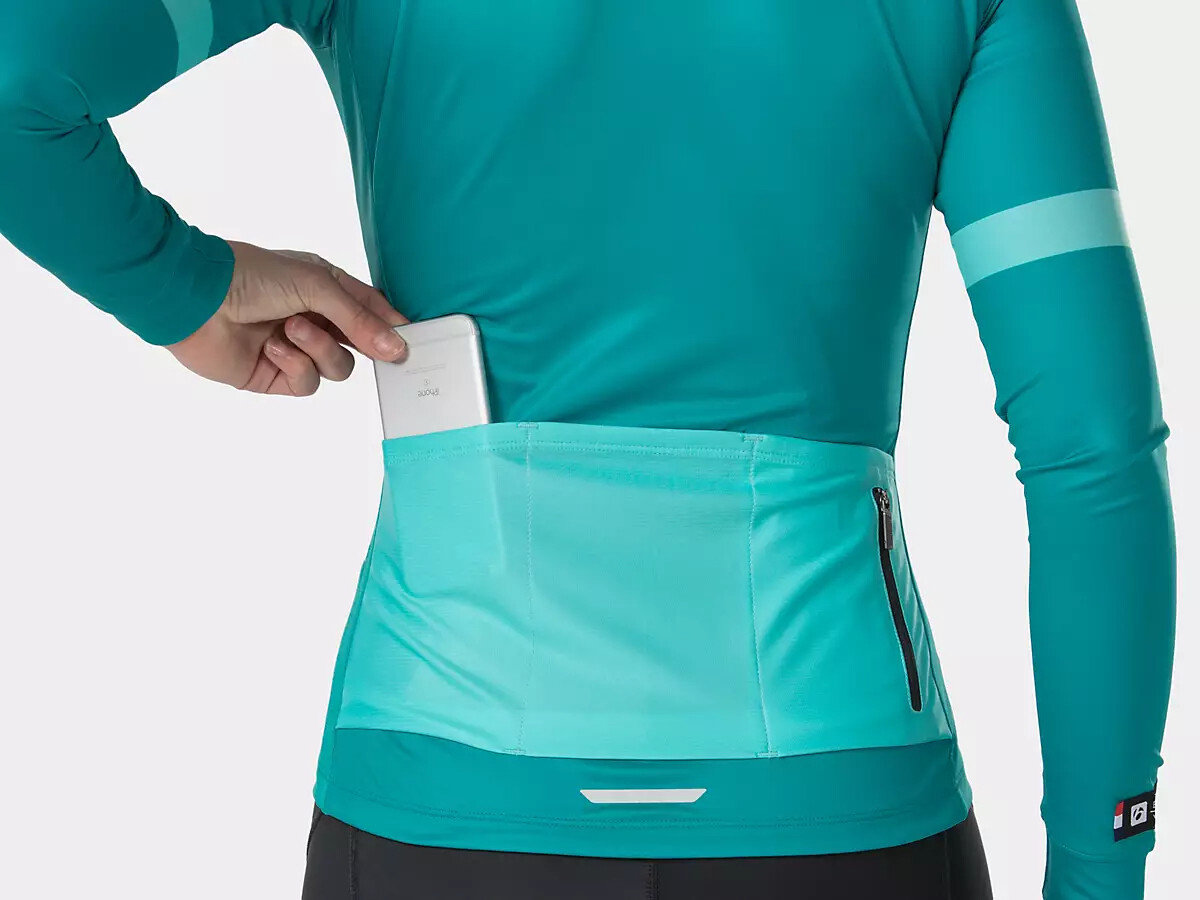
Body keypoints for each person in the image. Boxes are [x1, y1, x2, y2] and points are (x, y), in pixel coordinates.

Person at [0, 2, 1176, 898]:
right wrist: (1100, 868)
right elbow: (1096, 448)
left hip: (445, 801)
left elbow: (16, 82)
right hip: (838, 805)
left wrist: (183, 289)